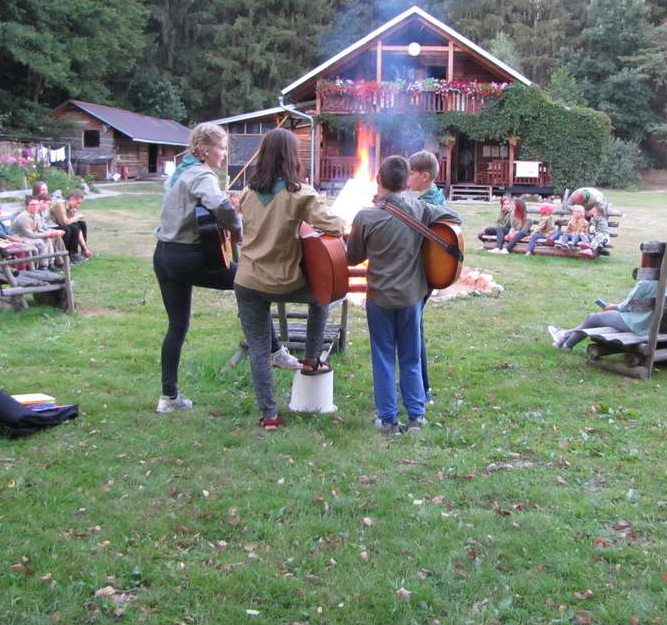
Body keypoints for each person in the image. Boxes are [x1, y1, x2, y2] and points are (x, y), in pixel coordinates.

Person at [153, 123, 303, 416]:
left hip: (164, 255)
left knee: (177, 326)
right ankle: (275, 351)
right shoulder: (201, 174)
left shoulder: (179, 172)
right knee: (251, 282)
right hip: (189, 256)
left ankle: (168, 396)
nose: (224, 154)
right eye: (221, 148)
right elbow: (220, 205)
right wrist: (236, 230)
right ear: (205, 149)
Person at [233, 128, 346, 431]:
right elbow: (334, 226)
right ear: (292, 156)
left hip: (247, 281)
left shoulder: (247, 192)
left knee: (259, 350)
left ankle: (269, 415)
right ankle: (311, 358)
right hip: (284, 281)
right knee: (323, 296)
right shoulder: (301, 194)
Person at [346, 155, 461, 435]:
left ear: (378, 180)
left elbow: (353, 257)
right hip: (411, 296)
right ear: (405, 183)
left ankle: (387, 419)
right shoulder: (420, 209)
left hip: (380, 297)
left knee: (383, 356)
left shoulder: (366, 217)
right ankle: (416, 416)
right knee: (411, 357)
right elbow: (455, 218)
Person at [548, 250, 667, 349]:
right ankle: (564, 338)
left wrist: (612, 306)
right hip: (651, 322)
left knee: (593, 318)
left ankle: (565, 340)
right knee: (598, 318)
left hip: (638, 323)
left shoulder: (647, 282)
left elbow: (628, 305)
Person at [405, 150, 446, 404]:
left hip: (421, 273)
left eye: (411, 173)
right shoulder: (434, 196)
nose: (407, 178)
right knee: (413, 327)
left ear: (424, 176)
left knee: (413, 330)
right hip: (422, 272)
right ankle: (416, 384)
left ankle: (422, 388)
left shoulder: (427, 205)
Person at [11, 196, 64, 268]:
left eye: (37, 204)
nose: (35, 207)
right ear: (27, 206)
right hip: (20, 237)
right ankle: (43, 265)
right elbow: (30, 234)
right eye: (32, 205)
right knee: (40, 242)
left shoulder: (36, 216)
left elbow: (40, 229)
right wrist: (46, 234)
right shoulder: (23, 217)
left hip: (31, 235)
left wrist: (51, 233)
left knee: (50, 238)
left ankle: (53, 262)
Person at [49, 191, 93, 263]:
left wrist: (73, 214)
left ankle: (83, 250)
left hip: (60, 225)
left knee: (81, 224)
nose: (78, 206)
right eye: (77, 203)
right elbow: (65, 222)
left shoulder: (69, 207)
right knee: (71, 228)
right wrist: (76, 217)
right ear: (72, 199)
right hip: (52, 225)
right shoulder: (60, 204)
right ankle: (70, 253)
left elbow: (70, 221)